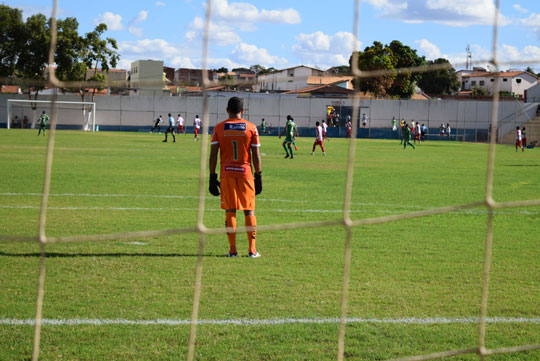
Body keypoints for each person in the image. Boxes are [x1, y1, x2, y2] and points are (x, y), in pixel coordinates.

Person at [209, 97, 262, 258]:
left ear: (227, 110)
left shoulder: (218, 128)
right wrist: (258, 176)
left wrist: (212, 177)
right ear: (242, 111)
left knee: (230, 210)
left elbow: (213, 155)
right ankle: (252, 250)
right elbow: (256, 156)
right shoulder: (251, 128)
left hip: (227, 173)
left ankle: (233, 250)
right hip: (246, 173)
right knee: (249, 211)